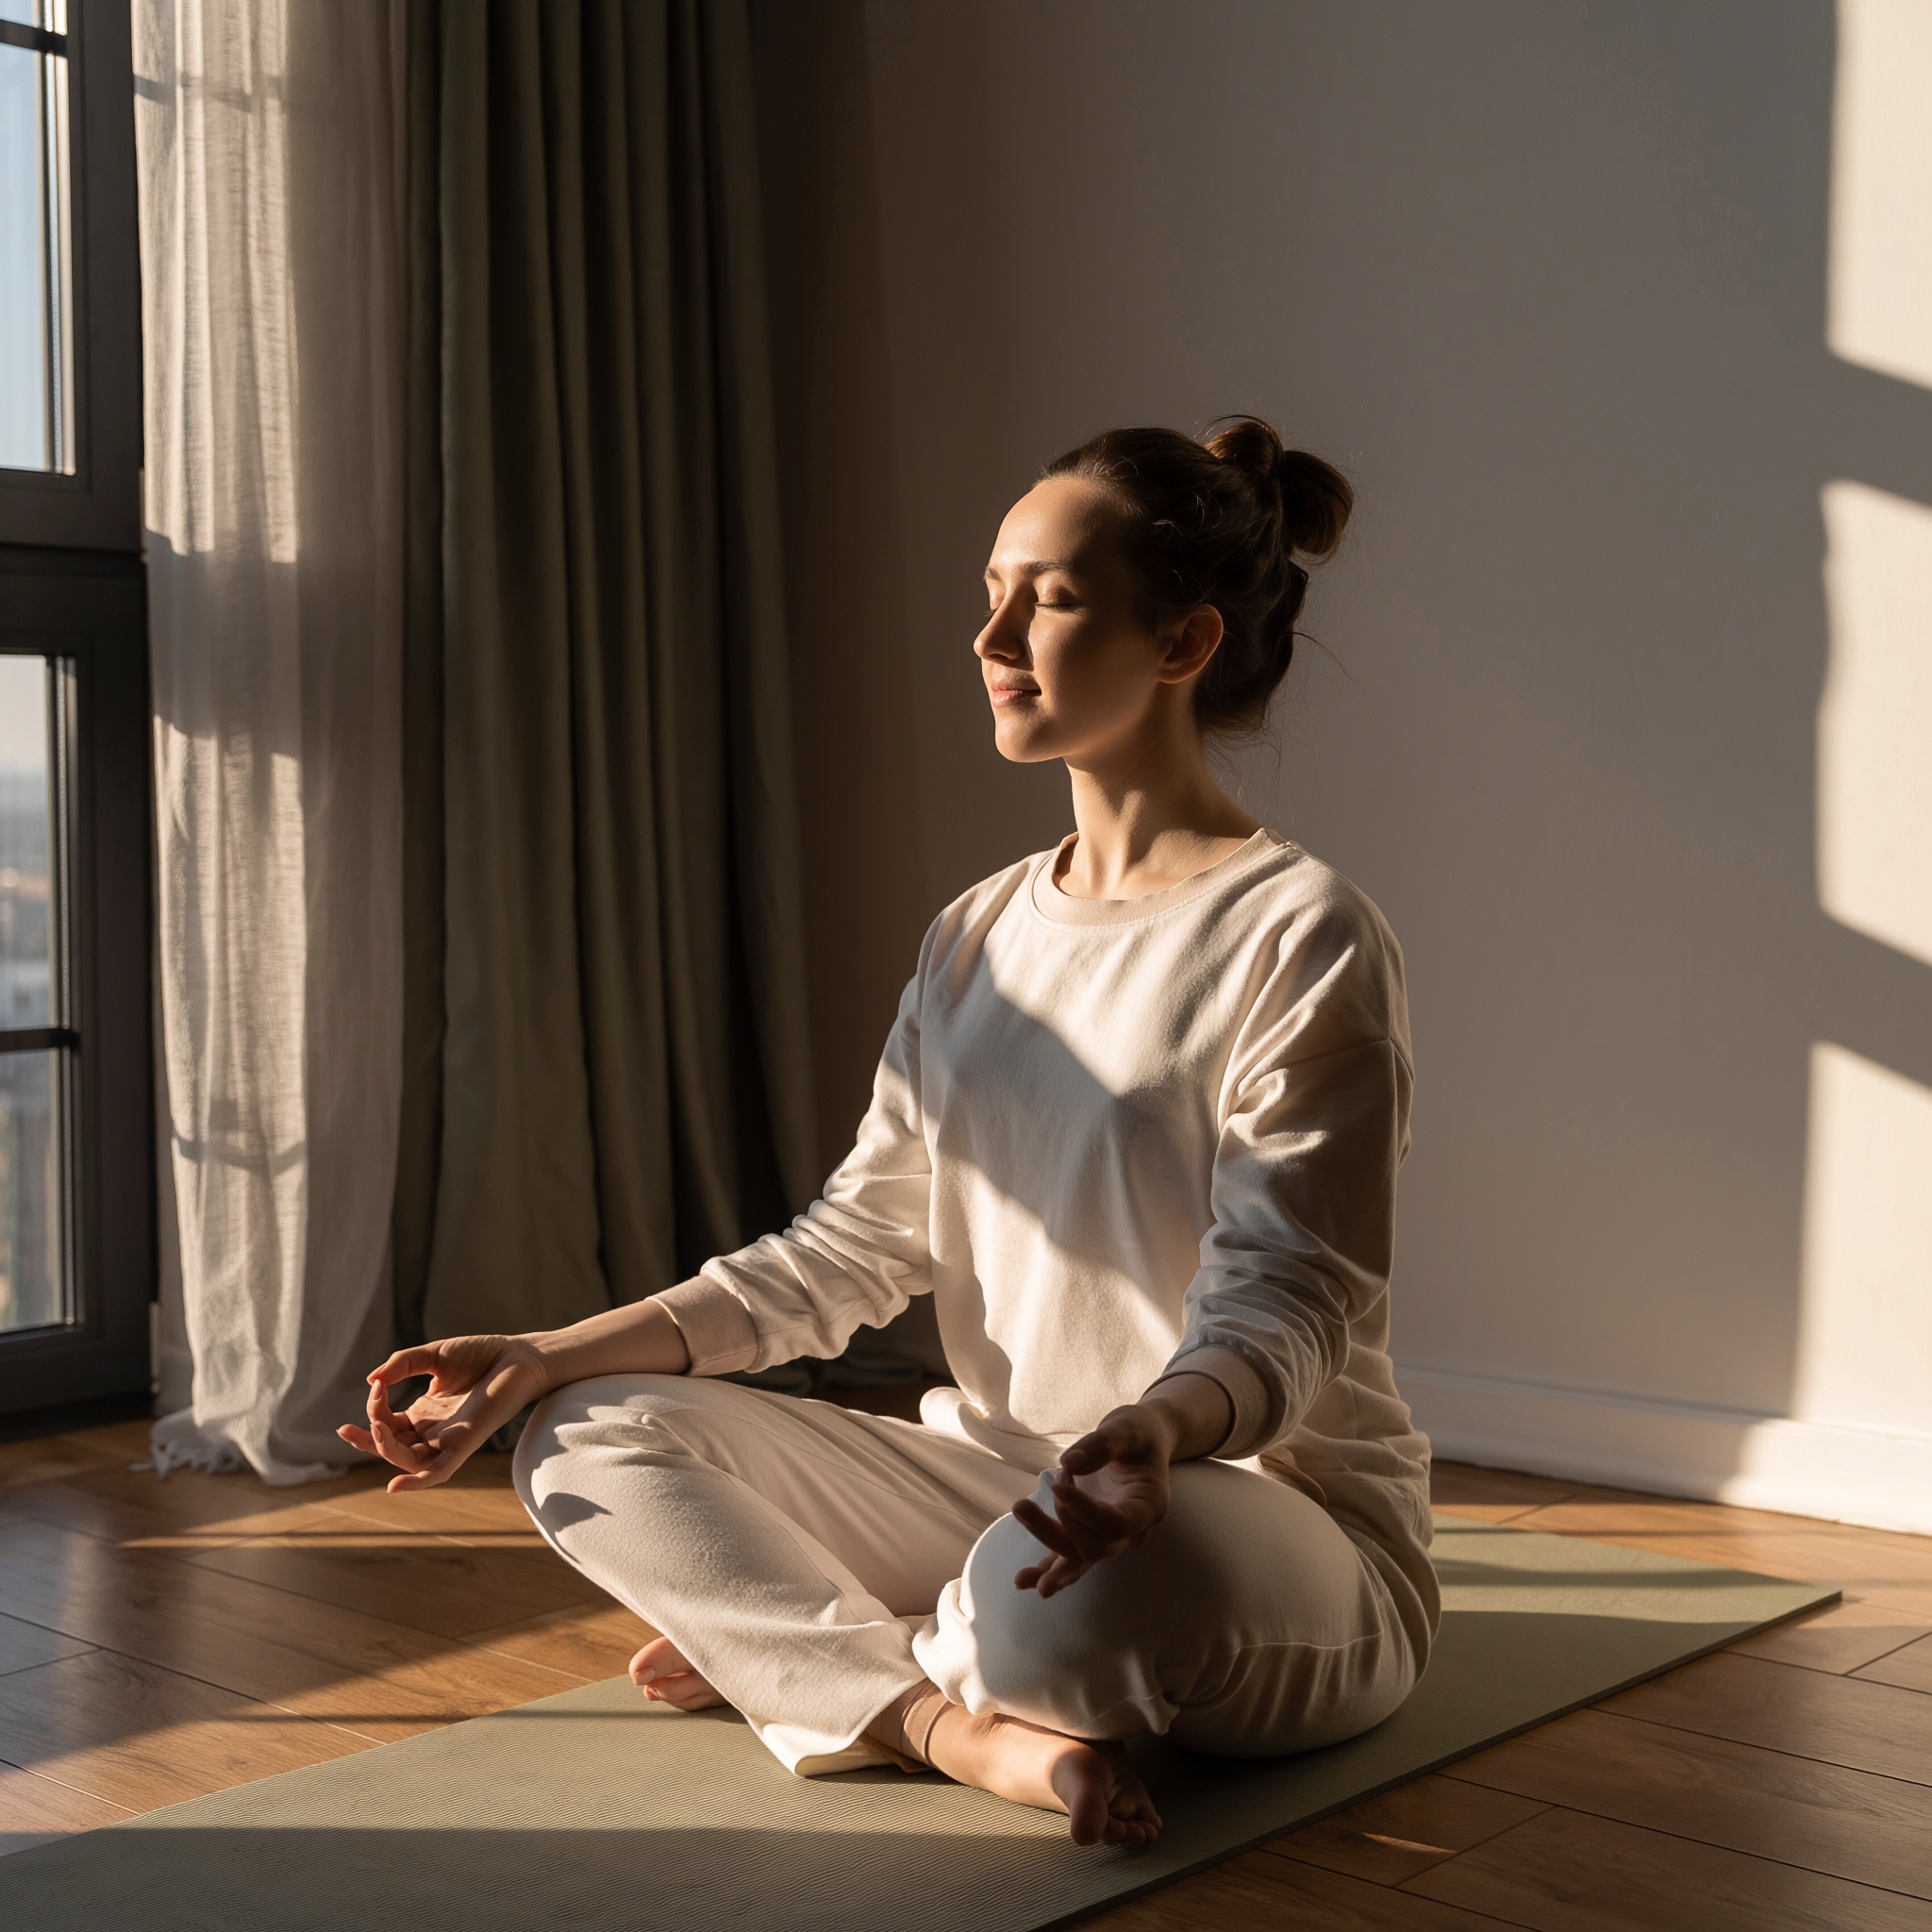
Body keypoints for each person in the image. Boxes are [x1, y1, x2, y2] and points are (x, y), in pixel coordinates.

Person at [339, 417, 1437, 1850]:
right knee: (584, 1440)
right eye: (989, 588)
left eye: (1045, 597)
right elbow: (850, 1247)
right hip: (1002, 1490)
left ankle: (820, 1662)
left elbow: (1286, 1302)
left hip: (1248, 1512)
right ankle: (942, 1722)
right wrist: (550, 1351)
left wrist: (1149, 1433)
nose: (990, 633)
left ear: (1180, 647)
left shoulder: (1305, 932)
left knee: (1079, 1618)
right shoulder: (977, 933)